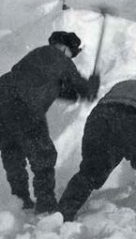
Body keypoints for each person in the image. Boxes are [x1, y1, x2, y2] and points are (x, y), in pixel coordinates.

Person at [58, 58, 136, 221]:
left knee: (91, 172)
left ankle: (61, 214)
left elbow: (119, 134)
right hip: (130, 119)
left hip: (97, 120)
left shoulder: (123, 84)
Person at [0, 31, 99, 213]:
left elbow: (46, 84)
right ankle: (46, 203)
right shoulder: (60, 58)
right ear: (64, 47)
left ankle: (20, 200)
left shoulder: (34, 56)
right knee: (43, 155)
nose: (72, 57)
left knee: (12, 151)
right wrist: (91, 86)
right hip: (25, 106)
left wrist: (74, 93)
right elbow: (80, 85)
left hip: (3, 100)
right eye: (72, 53)